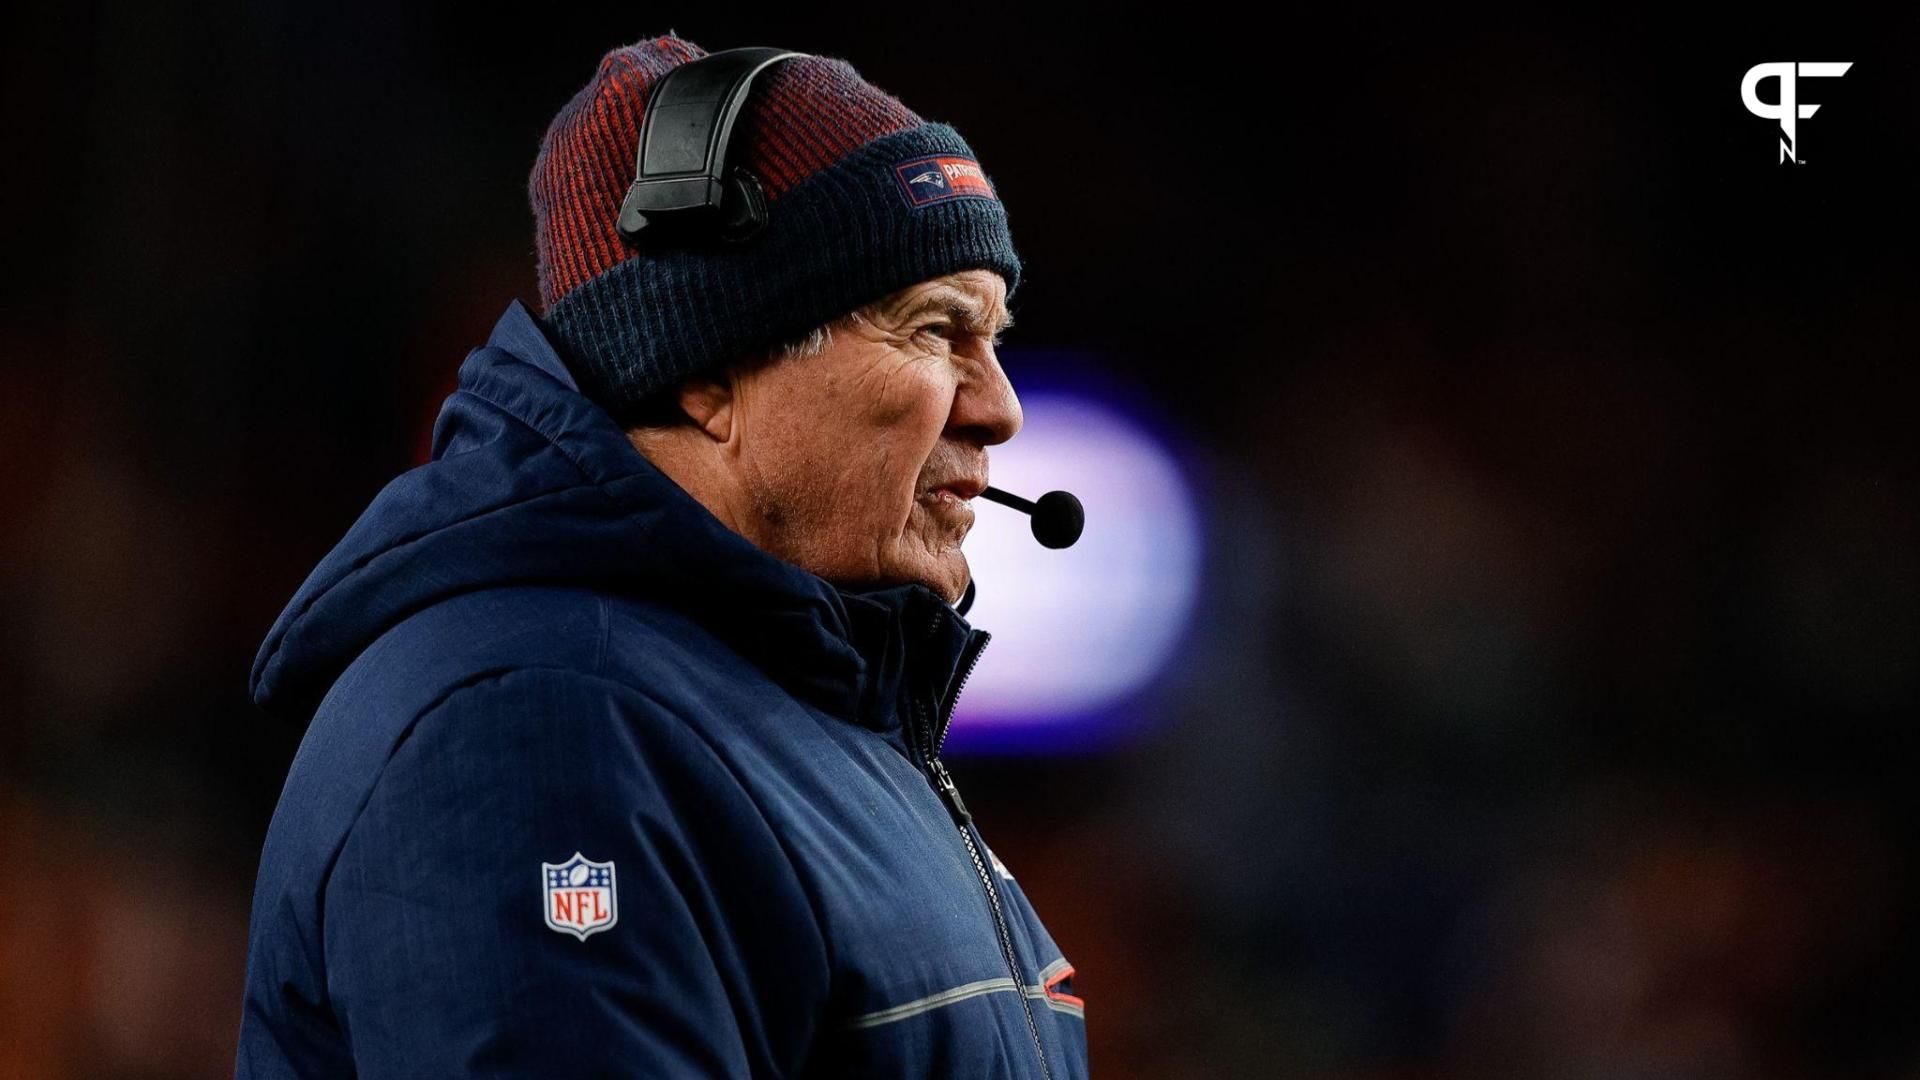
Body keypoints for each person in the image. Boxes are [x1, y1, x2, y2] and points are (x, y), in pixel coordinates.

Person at [235, 33, 1088, 1079]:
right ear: (708, 372)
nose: (999, 407)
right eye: (933, 331)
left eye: (993, 336)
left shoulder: (800, 711)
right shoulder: (534, 729)